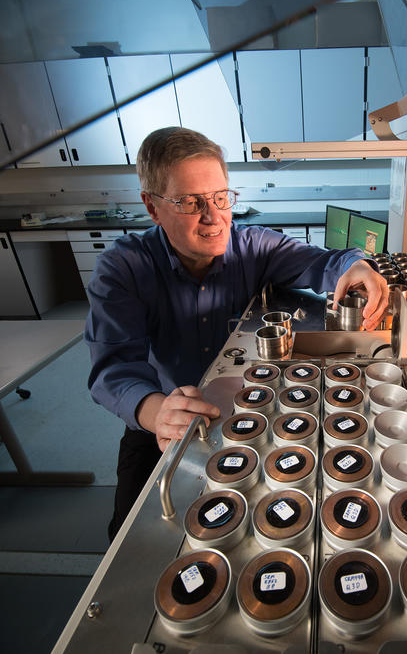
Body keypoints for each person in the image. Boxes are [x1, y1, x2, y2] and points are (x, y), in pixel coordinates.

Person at [85, 127, 388, 540]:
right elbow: (113, 371)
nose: (213, 217)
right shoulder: (124, 270)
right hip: (168, 415)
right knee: (132, 535)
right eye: (191, 202)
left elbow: (324, 262)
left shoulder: (253, 247)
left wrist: (356, 267)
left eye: (220, 197)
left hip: (250, 403)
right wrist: (156, 411)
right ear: (152, 208)